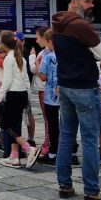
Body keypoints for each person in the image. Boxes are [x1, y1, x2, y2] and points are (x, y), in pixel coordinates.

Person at [52, 0, 101, 200]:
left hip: (65, 86)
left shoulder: (56, 23)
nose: (91, 5)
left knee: (66, 137)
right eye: (87, 1)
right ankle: (91, 190)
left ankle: (64, 185)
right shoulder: (81, 25)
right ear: (74, 2)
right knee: (90, 139)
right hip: (85, 86)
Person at [0, 31, 39, 168]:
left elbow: (7, 81)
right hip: (22, 95)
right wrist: (28, 96)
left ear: (3, 44)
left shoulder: (9, 59)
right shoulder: (20, 58)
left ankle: (28, 148)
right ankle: (14, 157)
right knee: (15, 125)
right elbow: (26, 79)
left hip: (13, 95)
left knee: (5, 125)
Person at [35, 27, 59, 165]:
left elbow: (43, 77)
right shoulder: (66, 55)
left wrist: (37, 64)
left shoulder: (48, 57)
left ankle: (52, 153)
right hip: (64, 96)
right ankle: (70, 153)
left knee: (52, 125)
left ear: (50, 42)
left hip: (50, 96)